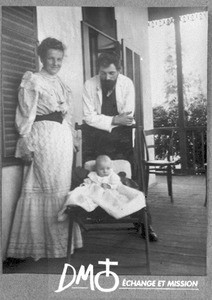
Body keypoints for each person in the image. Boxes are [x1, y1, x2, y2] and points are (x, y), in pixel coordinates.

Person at [6, 37, 82, 262]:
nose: (55, 63)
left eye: (59, 59)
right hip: (43, 139)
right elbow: (25, 113)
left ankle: (60, 243)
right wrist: (25, 142)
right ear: (42, 57)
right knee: (42, 187)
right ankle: (35, 246)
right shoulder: (33, 80)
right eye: (51, 58)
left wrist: (73, 139)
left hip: (62, 141)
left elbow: (67, 117)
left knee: (60, 188)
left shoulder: (61, 84)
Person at [82, 52, 158, 242]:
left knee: (129, 178)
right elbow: (88, 117)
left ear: (119, 70)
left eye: (111, 73)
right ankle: (85, 220)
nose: (107, 77)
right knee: (93, 176)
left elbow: (128, 116)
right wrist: (115, 119)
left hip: (121, 138)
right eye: (102, 73)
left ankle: (144, 223)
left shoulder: (127, 84)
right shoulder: (89, 85)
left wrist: (104, 120)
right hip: (95, 139)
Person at [58, 155, 146, 221]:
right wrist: (86, 184)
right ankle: (70, 210)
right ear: (96, 169)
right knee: (79, 195)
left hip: (110, 192)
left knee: (116, 199)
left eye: (108, 168)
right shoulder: (93, 175)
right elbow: (88, 182)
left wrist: (109, 186)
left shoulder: (112, 175)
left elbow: (117, 185)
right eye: (101, 169)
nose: (105, 171)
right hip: (97, 193)